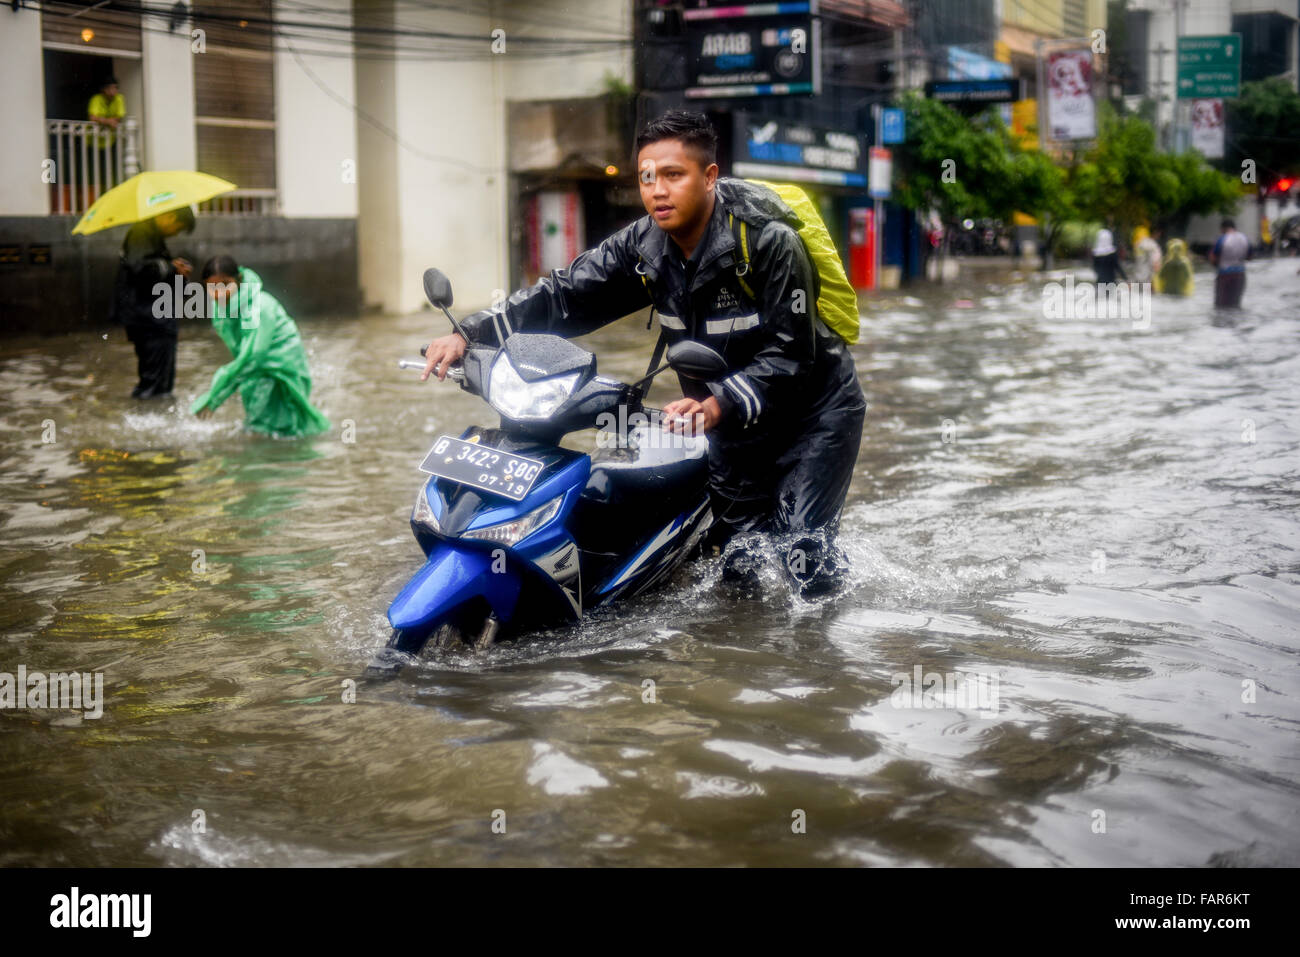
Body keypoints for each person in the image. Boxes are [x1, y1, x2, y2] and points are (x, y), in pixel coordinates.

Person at [420, 110, 866, 597]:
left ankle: (822, 640)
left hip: (814, 414)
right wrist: (470, 332)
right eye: (647, 177)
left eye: (674, 175)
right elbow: (566, 294)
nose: (657, 190)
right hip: (727, 424)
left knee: (803, 557)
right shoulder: (644, 244)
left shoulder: (768, 242)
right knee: (741, 567)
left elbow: (791, 356)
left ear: (709, 176)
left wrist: (716, 403)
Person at [191, 256, 331, 437]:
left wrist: (215, 397)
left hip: (281, 369)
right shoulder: (222, 311)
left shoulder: (259, 306)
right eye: (212, 287)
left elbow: (254, 356)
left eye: (226, 284)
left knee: (280, 429)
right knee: (259, 426)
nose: (219, 293)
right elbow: (243, 355)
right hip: (255, 371)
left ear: (239, 280)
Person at [109, 206, 194, 398]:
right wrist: (172, 267)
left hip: (154, 317)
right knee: (154, 381)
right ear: (170, 217)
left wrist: (176, 270)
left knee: (161, 380)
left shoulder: (152, 237)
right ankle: (146, 417)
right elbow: (142, 269)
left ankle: (155, 417)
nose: (175, 233)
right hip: (148, 319)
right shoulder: (141, 233)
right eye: (178, 228)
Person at [87, 77, 126, 184]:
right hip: (93, 141)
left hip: (110, 141)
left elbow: (119, 116)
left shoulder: (119, 98)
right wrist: (108, 121)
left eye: (115, 88)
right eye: (111, 88)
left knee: (111, 168)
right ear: (104, 89)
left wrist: (103, 120)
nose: (114, 91)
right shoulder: (96, 99)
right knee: (94, 169)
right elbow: (93, 117)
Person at [1210, 218, 1250, 307]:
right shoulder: (1244, 238)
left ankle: (1223, 321)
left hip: (1224, 275)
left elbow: (1213, 257)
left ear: (1223, 228)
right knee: (1235, 304)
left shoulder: (1222, 239)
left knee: (1220, 305)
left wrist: (1215, 265)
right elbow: (1249, 257)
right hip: (1240, 275)